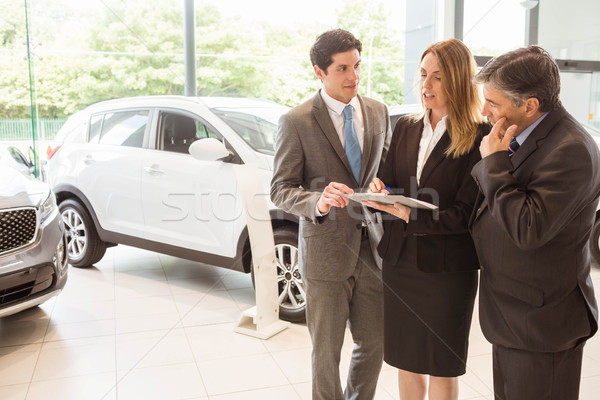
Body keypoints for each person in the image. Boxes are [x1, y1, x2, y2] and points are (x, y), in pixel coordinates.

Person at [470, 45, 600, 399]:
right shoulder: (524, 135)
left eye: (492, 103)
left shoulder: (571, 149)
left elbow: (529, 228)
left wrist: (494, 163)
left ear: (529, 105)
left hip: (543, 324)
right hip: (514, 317)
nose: (484, 111)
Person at [270, 29, 391, 399]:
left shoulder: (378, 110)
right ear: (319, 72)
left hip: (371, 249)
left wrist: (382, 186)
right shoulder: (297, 121)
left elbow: (380, 168)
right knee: (326, 353)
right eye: (342, 68)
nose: (353, 76)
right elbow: (280, 189)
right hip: (324, 253)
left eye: (357, 66)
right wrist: (318, 202)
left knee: (374, 347)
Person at [363, 38, 488, 400]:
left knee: (442, 366)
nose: (426, 85)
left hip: (447, 272)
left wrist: (407, 214)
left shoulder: (479, 136)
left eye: (437, 77)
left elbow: (465, 215)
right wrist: (379, 193)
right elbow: (390, 180)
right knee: (406, 360)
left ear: (459, 82)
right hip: (401, 263)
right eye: (422, 75)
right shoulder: (405, 126)